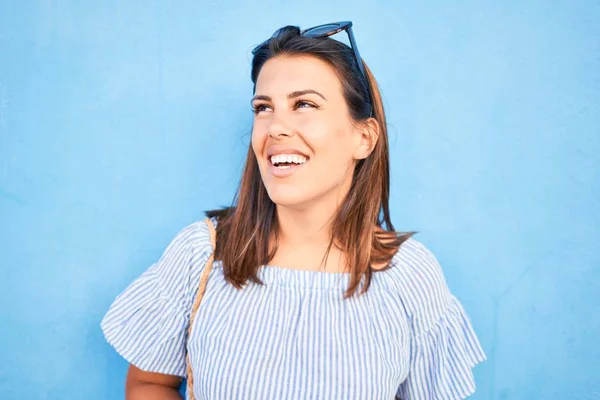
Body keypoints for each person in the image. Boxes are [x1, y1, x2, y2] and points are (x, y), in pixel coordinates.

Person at [100, 21, 487, 400]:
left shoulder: (408, 276)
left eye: (304, 104)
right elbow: (150, 384)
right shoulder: (200, 254)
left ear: (363, 137)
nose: (276, 127)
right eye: (263, 108)